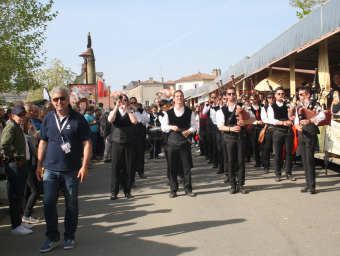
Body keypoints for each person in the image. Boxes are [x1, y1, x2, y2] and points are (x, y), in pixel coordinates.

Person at [36, 86, 92, 252]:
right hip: (51, 169)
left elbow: (87, 143)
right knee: (48, 204)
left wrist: (85, 166)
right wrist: (39, 165)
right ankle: (52, 237)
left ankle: (69, 236)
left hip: (71, 169)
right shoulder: (48, 118)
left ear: (68, 99)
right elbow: (43, 143)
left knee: (71, 205)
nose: (59, 102)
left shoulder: (78, 119)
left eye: (62, 98)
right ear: (52, 101)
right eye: (55, 99)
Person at [217, 86, 255, 194]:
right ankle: (232, 185)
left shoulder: (243, 106)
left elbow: (253, 118)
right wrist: (231, 128)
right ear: (226, 96)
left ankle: (241, 185)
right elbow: (220, 126)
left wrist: (245, 122)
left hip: (241, 137)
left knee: (241, 161)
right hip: (229, 137)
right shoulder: (222, 110)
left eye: (233, 94)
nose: (231, 96)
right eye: (229, 94)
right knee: (231, 162)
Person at [1, 105, 33, 235]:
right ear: (12, 115)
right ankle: (15, 226)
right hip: (16, 166)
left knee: (18, 195)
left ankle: (18, 223)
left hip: (21, 165)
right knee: (15, 196)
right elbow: (4, 145)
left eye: (24, 115)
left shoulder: (18, 127)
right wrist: (13, 158)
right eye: (19, 115)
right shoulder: (11, 127)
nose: (22, 117)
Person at [160, 90, 197, 198]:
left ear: (183, 98)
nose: (179, 98)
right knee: (172, 167)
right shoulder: (169, 113)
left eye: (181, 96)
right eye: (177, 96)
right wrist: (171, 127)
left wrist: (190, 131)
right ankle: (173, 190)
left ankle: (188, 189)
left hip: (185, 142)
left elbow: (194, 126)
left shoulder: (190, 112)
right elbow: (163, 127)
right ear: (174, 99)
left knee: (186, 167)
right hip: (172, 142)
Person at [295, 86, 325, 194]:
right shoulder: (298, 106)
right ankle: (307, 184)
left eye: (302, 94)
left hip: (311, 134)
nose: (301, 96)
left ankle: (312, 185)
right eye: (299, 94)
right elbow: (296, 120)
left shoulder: (314, 105)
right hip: (302, 135)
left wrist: (310, 120)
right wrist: (297, 126)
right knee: (304, 161)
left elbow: (323, 116)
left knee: (310, 160)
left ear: (308, 95)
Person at [107, 94, 137, 200]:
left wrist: (127, 110)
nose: (123, 102)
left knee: (128, 167)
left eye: (125, 100)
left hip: (129, 141)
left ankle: (127, 191)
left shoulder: (131, 112)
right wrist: (116, 106)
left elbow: (134, 121)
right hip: (117, 142)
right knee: (116, 167)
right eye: (121, 100)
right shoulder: (114, 111)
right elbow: (110, 119)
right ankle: (114, 192)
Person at [267, 87, 296, 182]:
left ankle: (288, 173)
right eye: (279, 94)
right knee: (278, 154)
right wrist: (283, 123)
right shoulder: (271, 107)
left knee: (289, 154)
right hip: (278, 131)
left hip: (288, 131)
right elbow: (271, 120)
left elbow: (292, 117)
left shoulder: (288, 105)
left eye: (282, 94)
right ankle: (278, 174)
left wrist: (292, 112)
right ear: (275, 95)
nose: (281, 95)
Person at [22, 117, 41, 224]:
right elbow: (36, 152)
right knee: (35, 190)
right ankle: (26, 214)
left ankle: (26, 215)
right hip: (29, 164)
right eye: (30, 124)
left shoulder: (26, 136)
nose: (31, 127)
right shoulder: (26, 137)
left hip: (27, 164)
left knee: (27, 190)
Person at [130, 98, 148, 179]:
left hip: (140, 134)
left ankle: (141, 171)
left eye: (135, 103)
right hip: (131, 134)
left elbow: (143, 121)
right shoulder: (127, 111)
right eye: (132, 103)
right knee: (132, 155)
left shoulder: (141, 111)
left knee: (140, 153)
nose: (133, 104)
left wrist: (137, 112)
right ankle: (132, 174)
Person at [261, 91, 275, 174]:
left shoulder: (278, 106)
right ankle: (266, 166)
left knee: (278, 149)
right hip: (269, 128)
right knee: (267, 148)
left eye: (272, 97)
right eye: (269, 98)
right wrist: (275, 121)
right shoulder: (265, 108)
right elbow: (264, 119)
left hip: (277, 129)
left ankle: (279, 166)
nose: (271, 99)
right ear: (267, 99)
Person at [203, 93, 218, 168]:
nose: (213, 99)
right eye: (212, 97)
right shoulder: (207, 105)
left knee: (215, 143)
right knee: (209, 142)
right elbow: (204, 112)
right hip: (209, 126)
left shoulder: (218, 106)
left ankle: (215, 161)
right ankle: (210, 157)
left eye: (214, 97)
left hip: (215, 126)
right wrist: (209, 105)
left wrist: (215, 105)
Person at [249, 94, 264, 167]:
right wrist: (257, 122)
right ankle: (257, 161)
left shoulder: (261, 107)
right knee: (255, 146)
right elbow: (248, 119)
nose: (253, 100)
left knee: (263, 145)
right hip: (253, 128)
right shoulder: (249, 108)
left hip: (261, 128)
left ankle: (264, 161)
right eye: (252, 99)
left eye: (254, 99)